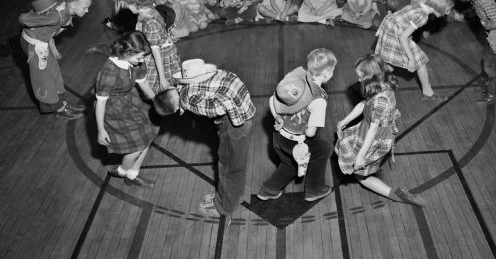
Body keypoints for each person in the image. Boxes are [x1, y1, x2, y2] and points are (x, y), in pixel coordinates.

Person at [161, 59, 256, 219]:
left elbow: (220, 106)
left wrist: (223, 116)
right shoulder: (212, 76)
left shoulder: (187, 98)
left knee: (228, 166)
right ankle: (230, 196)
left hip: (235, 126)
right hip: (246, 111)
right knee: (236, 164)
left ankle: (225, 206)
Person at [336, 54, 426, 206]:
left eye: (360, 76)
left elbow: (372, 130)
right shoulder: (380, 85)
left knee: (361, 177)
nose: (358, 80)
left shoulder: (381, 100)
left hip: (375, 136)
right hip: (369, 128)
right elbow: (364, 104)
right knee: (340, 147)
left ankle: (396, 194)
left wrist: (361, 156)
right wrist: (345, 121)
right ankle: (370, 169)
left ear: (371, 76)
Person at [257, 48, 337, 202]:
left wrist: (277, 118)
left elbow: (271, 100)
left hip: (279, 135)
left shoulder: (297, 80)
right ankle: (314, 189)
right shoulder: (319, 100)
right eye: (333, 70)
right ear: (326, 73)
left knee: (290, 164)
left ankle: (268, 190)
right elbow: (311, 133)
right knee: (323, 149)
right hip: (295, 140)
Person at [19, 0, 94, 119]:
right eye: (85, 7)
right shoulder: (56, 17)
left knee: (54, 74)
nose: (87, 10)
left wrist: (49, 41)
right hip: (34, 46)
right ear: (74, 4)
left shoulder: (65, 4)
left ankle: (62, 103)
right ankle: (59, 109)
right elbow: (24, 19)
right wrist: (33, 19)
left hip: (42, 42)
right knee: (45, 78)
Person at [94, 31, 157, 187]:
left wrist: (158, 101)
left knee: (148, 137)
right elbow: (101, 102)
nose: (142, 61)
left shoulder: (137, 63)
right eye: (139, 57)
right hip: (112, 110)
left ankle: (131, 175)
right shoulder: (110, 70)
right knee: (137, 147)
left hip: (129, 102)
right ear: (126, 53)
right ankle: (122, 171)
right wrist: (101, 129)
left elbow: (143, 84)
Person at [375, 0, 455, 103]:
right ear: (440, 6)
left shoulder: (420, 4)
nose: (447, 13)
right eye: (447, 10)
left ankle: (374, 82)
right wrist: (411, 59)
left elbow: (405, 24)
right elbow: (403, 37)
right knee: (418, 60)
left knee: (390, 62)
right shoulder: (422, 16)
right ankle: (428, 93)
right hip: (396, 34)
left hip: (392, 29)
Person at [123, 0, 181, 92]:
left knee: (157, 85)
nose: (126, 7)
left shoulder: (151, 24)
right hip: (161, 49)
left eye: (127, 4)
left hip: (161, 55)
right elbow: (139, 17)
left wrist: (162, 79)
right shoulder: (149, 10)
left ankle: (167, 98)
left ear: (136, 4)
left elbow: (157, 53)